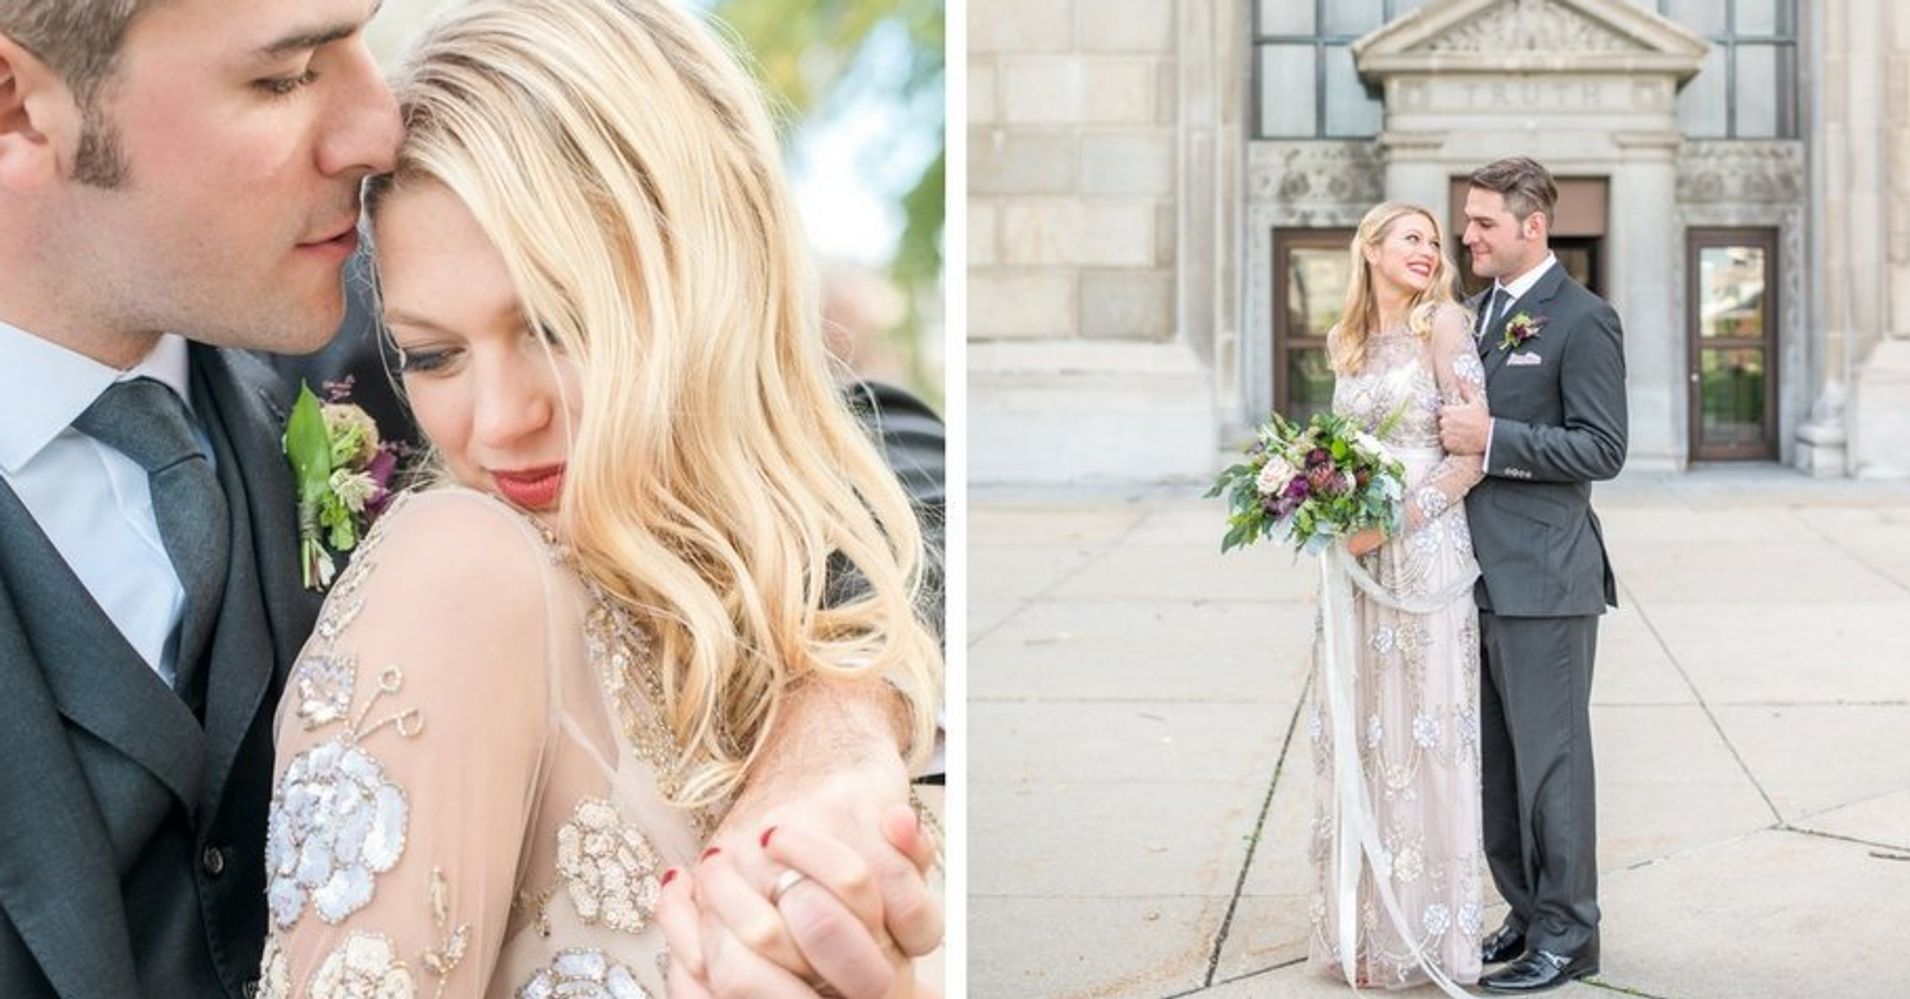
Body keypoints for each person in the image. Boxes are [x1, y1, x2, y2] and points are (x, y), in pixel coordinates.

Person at [0, 0, 941, 995]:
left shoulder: (332, 315)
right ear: (18, 105)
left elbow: (861, 440)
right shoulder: (396, 411)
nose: (376, 121)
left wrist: (838, 716)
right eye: (280, 76)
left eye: (553, 324)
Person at [1438, 157, 1627, 993]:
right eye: (1468, 220)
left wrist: (1494, 440)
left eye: (1482, 222)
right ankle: (1526, 909)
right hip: (1472, 578)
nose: (1467, 234)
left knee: (1553, 764)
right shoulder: (1479, 315)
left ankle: (1570, 933)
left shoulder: (1583, 319)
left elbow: (1602, 447)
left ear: (1531, 226)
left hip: (1547, 581)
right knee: (1499, 766)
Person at [1306, 202, 1487, 991]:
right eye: (1411, 237)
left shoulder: (1444, 325)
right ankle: (1371, 929)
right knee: (1367, 730)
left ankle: (1435, 932)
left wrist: (1397, 522)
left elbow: (1468, 457)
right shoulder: (1346, 342)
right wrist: (1322, 506)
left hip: (1426, 547)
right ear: (1371, 248)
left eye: (1434, 241)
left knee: (1426, 730)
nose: (1428, 250)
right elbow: (1337, 451)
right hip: (1356, 560)